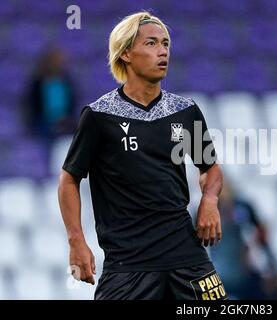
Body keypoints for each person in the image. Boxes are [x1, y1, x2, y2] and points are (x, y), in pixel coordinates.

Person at [58, 11, 227, 300]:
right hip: (128, 265)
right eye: (151, 43)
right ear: (125, 53)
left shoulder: (185, 111)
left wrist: (210, 199)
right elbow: (68, 180)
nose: (163, 51)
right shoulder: (99, 116)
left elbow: (210, 168)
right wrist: (76, 241)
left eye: (166, 44)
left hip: (187, 256)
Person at [209, 180, 277, 300]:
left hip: (244, 275)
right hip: (221, 277)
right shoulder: (203, 212)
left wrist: (271, 268)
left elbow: (262, 237)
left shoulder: (243, 207)